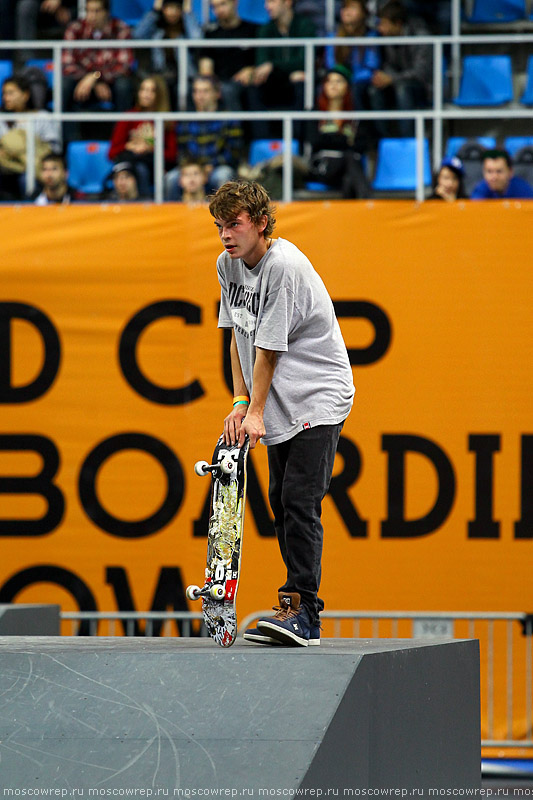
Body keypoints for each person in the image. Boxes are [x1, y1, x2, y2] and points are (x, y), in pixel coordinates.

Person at [209, 180, 355, 646]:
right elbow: (237, 335)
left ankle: (305, 613)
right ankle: (292, 606)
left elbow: (268, 350)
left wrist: (255, 412)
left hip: (319, 396)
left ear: (261, 224)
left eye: (235, 225)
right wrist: (239, 403)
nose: (226, 235)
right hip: (279, 400)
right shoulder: (227, 266)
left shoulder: (284, 265)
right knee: (279, 502)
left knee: (298, 500)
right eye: (219, 227)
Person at [62, 0, 134, 139]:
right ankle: (65, 144)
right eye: (88, 11)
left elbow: (124, 66)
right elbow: (67, 64)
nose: (91, 16)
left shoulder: (120, 28)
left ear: (107, 12)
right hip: (82, 82)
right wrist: (91, 78)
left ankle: (119, 139)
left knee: (124, 86)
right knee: (64, 85)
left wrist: (96, 77)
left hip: (110, 83)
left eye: (96, 11)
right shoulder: (75, 28)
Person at [164, 75, 243, 199]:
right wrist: (193, 168)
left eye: (205, 91)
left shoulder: (229, 119)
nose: (200, 96)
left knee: (223, 176)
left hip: (217, 167)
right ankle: (170, 217)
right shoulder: (185, 120)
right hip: (192, 167)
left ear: (217, 94)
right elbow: (182, 151)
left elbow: (233, 152)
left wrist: (209, 167)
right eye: (196, 91)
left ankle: (224, 217)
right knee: (171, 179)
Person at [247, 0, 315, 139]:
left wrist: (273, 65)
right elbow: (262, 63)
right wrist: (285, 72)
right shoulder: (265, 29)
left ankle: (297, 143)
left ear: (287, 2)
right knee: (253, 88)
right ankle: (262, 143)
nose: (267, 6)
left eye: (272, 1)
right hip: (275, 82)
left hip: (295, 82)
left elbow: (305, 61)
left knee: (302, 85)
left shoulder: (305, 26)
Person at [368, 0, 432, 138]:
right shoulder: (385, 37)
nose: (380, 28)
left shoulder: (420, 36)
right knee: (373, 90)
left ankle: (407, 140)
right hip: (396, 82)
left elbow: (421, 73)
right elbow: (387, 64)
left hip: (421, 87)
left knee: (402, 89)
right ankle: (382, 141)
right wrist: (383, 76)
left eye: (384, 24)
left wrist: (392, 78)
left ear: (397, 23)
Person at [307, 65, 370, 198]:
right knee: (350, 159)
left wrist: (332, 139)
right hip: (324, 166)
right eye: (329, 81)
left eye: (338, 81)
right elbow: (315, 141)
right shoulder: (315, 114)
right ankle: (368, 202)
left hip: (347, 168)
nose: (333, 85)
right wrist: (345, 141)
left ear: (347, 86)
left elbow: (363, 143)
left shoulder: (356, 116)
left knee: (348, 179)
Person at [109, 75, 176, 198]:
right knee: (139, 170)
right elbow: (112, 152)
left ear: (160, 95)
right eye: (143, 89)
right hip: (133, 165)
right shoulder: (129, 117)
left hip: (157, 166)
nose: (146, 94)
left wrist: (150, 148)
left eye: (151, 91)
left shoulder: (166, 120)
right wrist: (129, 146)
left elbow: (172, 154)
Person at [0, 74, 61, 199]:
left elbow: (54, 149)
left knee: (26, 179)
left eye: (11, 93)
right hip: (6, 167)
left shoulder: (42, 117)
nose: (6, 98)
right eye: (4, 94)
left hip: (34, 168)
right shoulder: (1, 118)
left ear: (25, 95)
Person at [134, 0, 202, 108]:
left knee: (185, 89)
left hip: (184, 76)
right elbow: (138, 35)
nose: (172, 12)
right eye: (169, 8)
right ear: (163, 9)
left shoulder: (186, 29)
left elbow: (197, 39)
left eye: (177, 8)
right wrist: (155, 11)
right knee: (158, 86)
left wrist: (188, 13)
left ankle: (182, 124)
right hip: (160, 74)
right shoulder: (156, 29)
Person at [197, 0, 257, 111]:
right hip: (220, 83)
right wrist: (212, 85)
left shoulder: (252, 30)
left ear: (235, 2)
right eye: (214, 7)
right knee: (203, 90)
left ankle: (234, 127)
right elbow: (205, 67)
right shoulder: (210, 34)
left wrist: (252, 70)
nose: (219, 10)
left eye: (223, 4)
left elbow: (261, 62)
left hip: (246, 81)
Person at [325, 0, 381, 110]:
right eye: (345, 8)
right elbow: (331, 64)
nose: (347, 12)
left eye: (353, 8)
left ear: (363, 13)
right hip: (339, 79)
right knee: (325, 88)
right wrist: (340, 80)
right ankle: (326, 126)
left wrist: (348, 79)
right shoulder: (333, 36)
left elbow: (372, 65)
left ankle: (358, 126)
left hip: (361, 81)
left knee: (355, 90)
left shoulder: (371, 36)